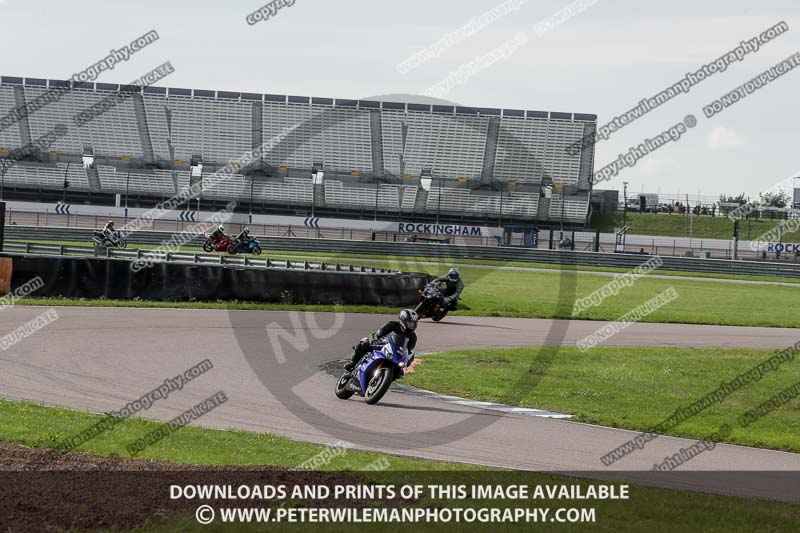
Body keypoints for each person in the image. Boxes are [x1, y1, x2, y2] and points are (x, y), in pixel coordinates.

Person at [344, 309, 418, 372]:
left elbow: (410, 352)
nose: (412, 325)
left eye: (414, 323)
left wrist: (408, 361)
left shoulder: (413, 336)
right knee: (363, 345)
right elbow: (378, 334)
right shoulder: (392, 325)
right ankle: (352, 363)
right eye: (410, 323)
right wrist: (374, 340)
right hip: (382, 345)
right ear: (403, 320)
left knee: (400, 372)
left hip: (396, 355)